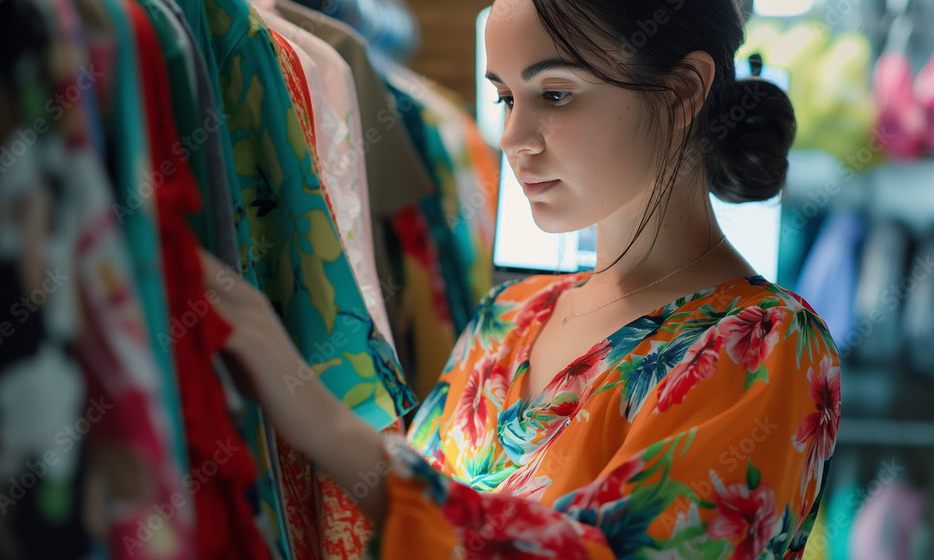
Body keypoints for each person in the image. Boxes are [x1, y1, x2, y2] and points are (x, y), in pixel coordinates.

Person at [200, 0, 841, 557]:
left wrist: (322, 423)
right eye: (506, 97)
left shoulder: (766, 344)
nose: (512, 137)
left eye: (554, 94)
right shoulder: (507, 316)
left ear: (683, 91)